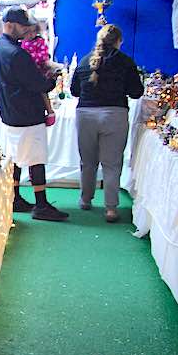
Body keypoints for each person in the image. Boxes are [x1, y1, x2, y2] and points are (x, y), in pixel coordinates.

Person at [0, 6, 67, 221]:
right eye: (23, 26)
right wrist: (53, 75)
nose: (26, 30)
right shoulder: (17, 53)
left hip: (11, 113)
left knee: (16, 156)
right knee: (36, 158)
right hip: (26, 114)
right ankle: (41, 204)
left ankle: (15, 197)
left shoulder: (1, 47)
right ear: (10, 25)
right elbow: (39, 85)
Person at [70, 24, 144, 222]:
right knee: (111, 164)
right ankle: (111, 208)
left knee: (88, 161)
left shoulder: (85, 61)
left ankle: (85, 199)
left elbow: (74, 91)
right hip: (114, 114)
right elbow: (137, 92)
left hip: (85, 114)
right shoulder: (126, 62)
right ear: (119, 41)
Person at [21, 24, 56, 126]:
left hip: (39, 70)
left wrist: (30, 58)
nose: (31, 34)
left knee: (43, 91)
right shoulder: (23, 42)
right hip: (27, 71)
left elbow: (44, 56)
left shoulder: (40, 41)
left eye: (33, 32)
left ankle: (49, 110)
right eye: (28, 32)